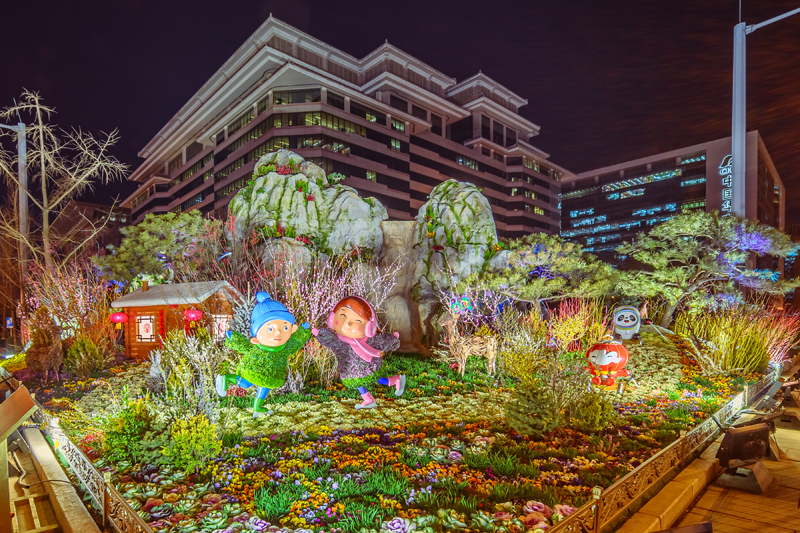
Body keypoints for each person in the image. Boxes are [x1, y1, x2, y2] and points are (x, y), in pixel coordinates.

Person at [216, 292, 311, 417]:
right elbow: (244, 345)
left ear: (292, 329)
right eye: (270, 329)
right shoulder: (257, 348)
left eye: (285, 328)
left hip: (271, 374)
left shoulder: (284, 348)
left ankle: (258, 408)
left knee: (264, 388)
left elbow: (296, 342)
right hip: (254, 370)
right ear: (257, 333)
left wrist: (303, 332)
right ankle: (225, 378)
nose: (278, 333)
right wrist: (233, 338)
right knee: (245, 384)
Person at [313, 296, 404, 409]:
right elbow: (330, 340)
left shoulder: (368, 340)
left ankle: (394, 381)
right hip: (349, 369)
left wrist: (393, 340)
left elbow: (382, 342)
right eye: (342, 316)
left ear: (368, 328)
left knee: (375, 379)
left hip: (368, 364)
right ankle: (370, 397)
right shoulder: (339, 341)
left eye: (357, 321)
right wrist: (320, 334)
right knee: (357, 382)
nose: (347, 324)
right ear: (332, 318)